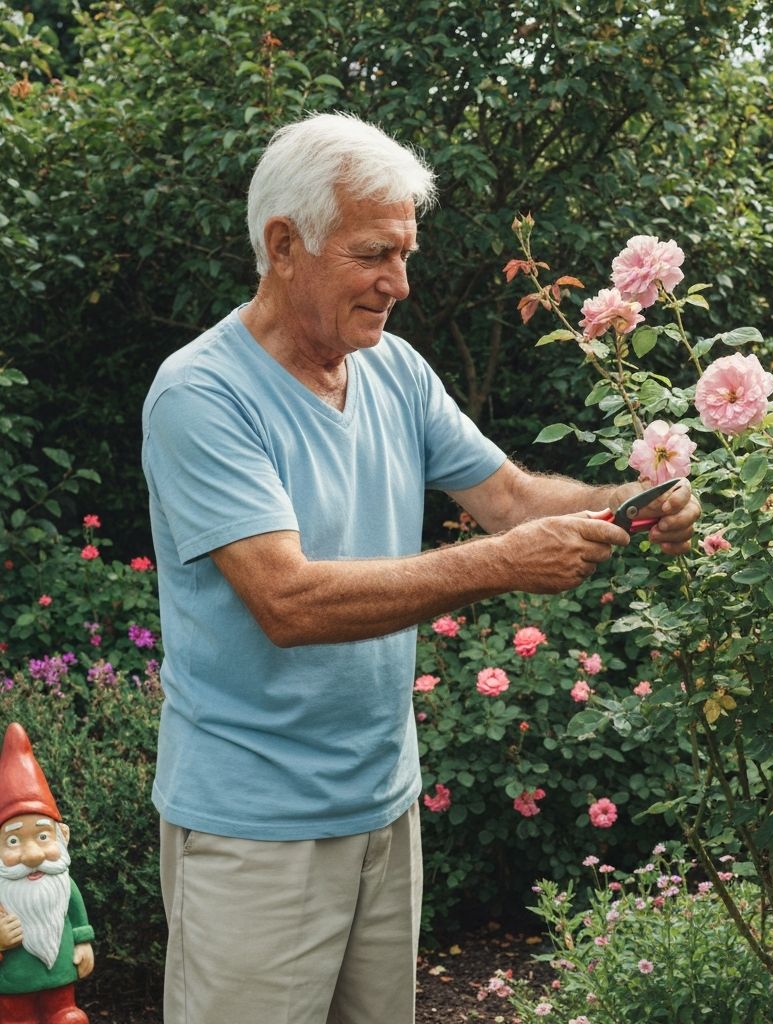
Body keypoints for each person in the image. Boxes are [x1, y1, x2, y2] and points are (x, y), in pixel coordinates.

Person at [141, 111, 701, 1024]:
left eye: (405, 253)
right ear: (284, 245)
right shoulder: (202, 395)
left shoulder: (393, 370)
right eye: (373, 255)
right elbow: (288, 601)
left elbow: (513, 501)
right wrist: (502, 566)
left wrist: (635, 497)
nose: (398, 283)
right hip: (255, 827)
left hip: (382, 802)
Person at [0, 722, 95, 1024]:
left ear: (62, 835)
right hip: (13, 985)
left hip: (59, 976)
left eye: (42, 837)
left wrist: (82, 942)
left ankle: (62, 1013)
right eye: (13, 841)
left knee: (66, 1017)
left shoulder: (62, 883)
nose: (32, 855)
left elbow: (77, 914)